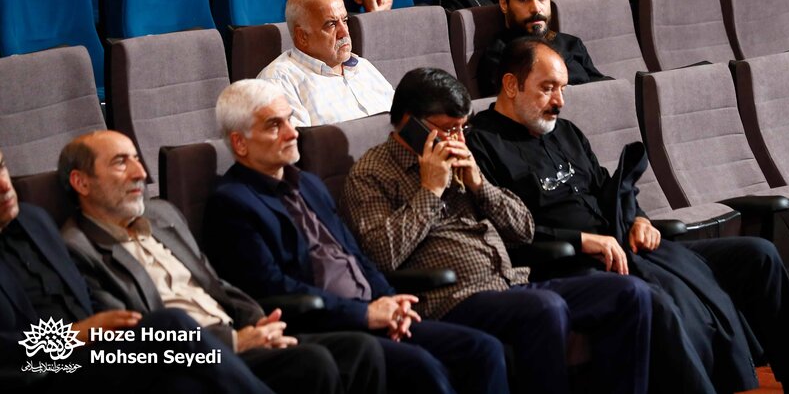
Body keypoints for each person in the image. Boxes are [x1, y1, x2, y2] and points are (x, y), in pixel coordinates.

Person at [466, 37, 789, 394]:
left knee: (758, 255)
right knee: (657, 302)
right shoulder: (481, 146)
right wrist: (581, 241)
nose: (559, 101)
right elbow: (498, 232)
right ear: (511, 85)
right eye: (547, 88)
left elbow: (607, 189)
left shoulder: (566, 133)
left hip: (628, 247)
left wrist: (639, 219)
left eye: (562, 89)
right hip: (569, 265)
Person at [342, 67, 652, 394]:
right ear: (410, 122)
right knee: (544, 309)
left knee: (629, 293)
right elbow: (380, 254)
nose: (457, 140)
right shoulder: (371, 174)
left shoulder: (463, 157)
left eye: (463, 128)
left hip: (510, 282)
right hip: (449, 298)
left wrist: (480, 186)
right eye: (447, 129)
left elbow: (523, 229)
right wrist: (430, 191)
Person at [203, 79, 509, 394]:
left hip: (370, 311)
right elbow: (272, 288)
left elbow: (356, 257)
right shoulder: (231, 203)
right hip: (325, 327)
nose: (292, 132)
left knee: (481, 349)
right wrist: (364, 314)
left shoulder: (309, 184)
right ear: (240, 143)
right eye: (274, 125)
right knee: (423, 368)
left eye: (290, 119)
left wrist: (390, 302)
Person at [58, 130, 387, 394]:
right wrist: (233, 343)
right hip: (190, 360)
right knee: (312, 363)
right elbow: (136, 333)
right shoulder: (77, 250)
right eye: (121, 163)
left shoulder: (162, 215)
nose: (140, 173)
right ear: (81, 182)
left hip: (237, 331)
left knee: (360, 350)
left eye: (136, 159)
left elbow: (215, 284)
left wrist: (257, 324)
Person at [0, 149, 277, 393]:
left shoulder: (34, 219)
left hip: (102, 356)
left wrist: (117, 325)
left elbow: (80, 292)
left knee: (188, 385)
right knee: (172, 324)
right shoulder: (67, 235)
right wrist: (72, 335)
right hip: (42, 373)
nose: (4, 185)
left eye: (1, 166)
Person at [258, 0, 394, 127]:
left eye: (345, 21)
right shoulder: (279, 81)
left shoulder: (363, 66)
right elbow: (294, 139)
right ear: (302, 36)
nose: (344, 32)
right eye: (331, 24)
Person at [477, 0, 608, 96]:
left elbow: (603, 86)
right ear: (504, 4)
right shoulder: (498, 57)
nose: (536, 8)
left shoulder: (571, 43)